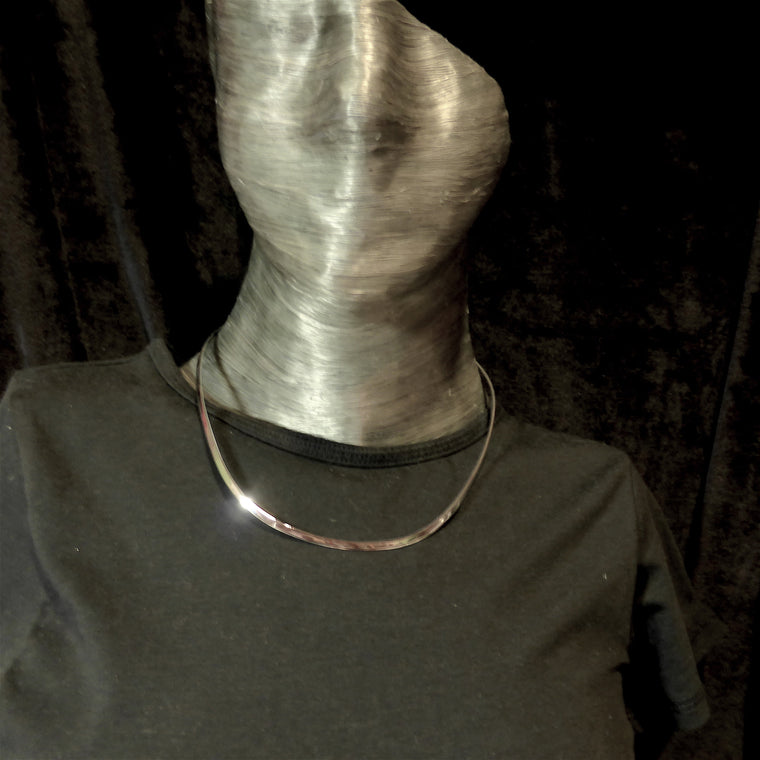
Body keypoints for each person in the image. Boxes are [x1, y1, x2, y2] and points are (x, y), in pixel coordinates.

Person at [0, 2, 719, 757]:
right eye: (296, 23)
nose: (363, 109)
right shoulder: (40, 447)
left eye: (434, 29)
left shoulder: (596, 508)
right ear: (220, 77)